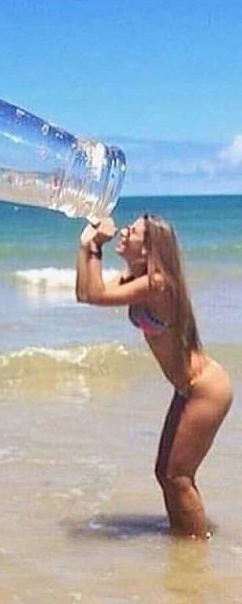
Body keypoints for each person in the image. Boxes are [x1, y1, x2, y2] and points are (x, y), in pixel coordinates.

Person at [76, 214, 232, 539]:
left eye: (132, 230)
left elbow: (94, 295)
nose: (124, 231)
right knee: (166, 473)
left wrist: (96, 246)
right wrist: (86, 245)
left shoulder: (157, 283)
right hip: (186, 388)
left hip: (206, 387)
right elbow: (85, 293)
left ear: (148, 248)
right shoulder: (136, 277)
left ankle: (195, 548)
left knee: (178, 476)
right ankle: (182, 540)